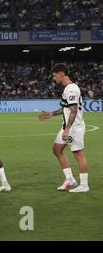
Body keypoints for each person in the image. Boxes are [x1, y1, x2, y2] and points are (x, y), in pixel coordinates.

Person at [38, 63, 89, 193]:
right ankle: (70, 180)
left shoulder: (70, 89)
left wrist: (67, 129)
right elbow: (66, 108)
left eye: (55, 76)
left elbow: (73, 111)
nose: (54, 78)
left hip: (73, 127)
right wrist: (52, 114)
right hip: (67, 126)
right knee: (57, 149)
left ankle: (84, 185)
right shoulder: (68, 88)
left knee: (78, 154)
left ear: (61, 74)